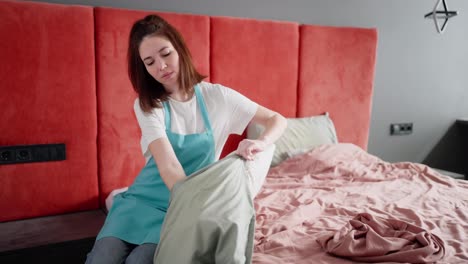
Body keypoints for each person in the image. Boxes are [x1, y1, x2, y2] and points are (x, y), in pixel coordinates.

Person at [85, 14, 287, 264]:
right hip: (143, 202)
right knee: (102, 259)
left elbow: (277, 120)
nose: (160, 66)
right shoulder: (148, 105)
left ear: (179, 49)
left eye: (165, 53)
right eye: (149, 62)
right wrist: (194, 205)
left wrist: (261, 142)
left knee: (138, 261)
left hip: (179, 209)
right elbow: (169, 166)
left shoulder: (218, 98)